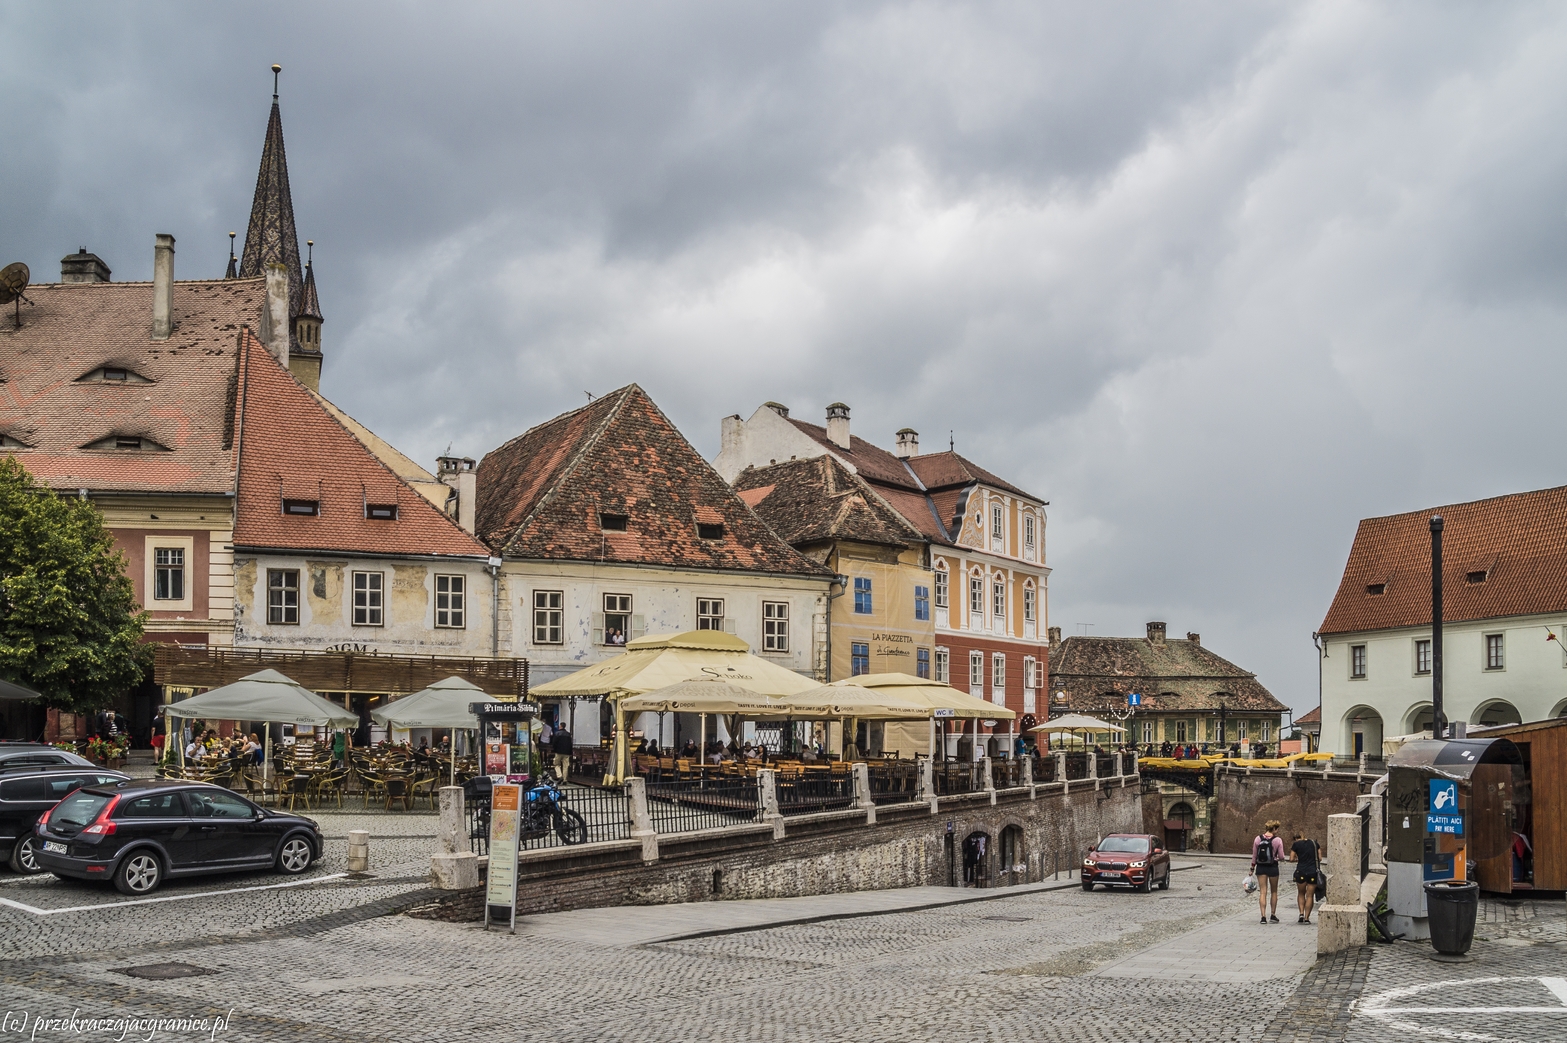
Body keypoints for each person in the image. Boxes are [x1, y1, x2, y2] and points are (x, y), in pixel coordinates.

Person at [1252, 819, 1285, 924]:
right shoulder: (1278, 840)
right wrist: (1276, 858)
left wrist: (1252, 868)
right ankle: (1273, 915)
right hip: (1273, 867)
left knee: (1263, 892)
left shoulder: (1258, 839)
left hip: (1261, 867)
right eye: (1277, 829)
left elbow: (1254, 856)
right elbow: (1281, 856)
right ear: (1274, 828)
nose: (1278, 831)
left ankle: (1263, 917)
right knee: (1274, 891)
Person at [1289, 831, 1321, 924]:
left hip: (1301, 871)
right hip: (1313, 872)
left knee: (1301, 894)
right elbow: (1320, 858)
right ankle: (1307, 918)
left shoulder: (1296, 845)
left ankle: (1301, 914)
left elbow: (1291, 859)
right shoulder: (1314, 843)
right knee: (1310, 895)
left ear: (1296, 838)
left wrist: (1299, 859)